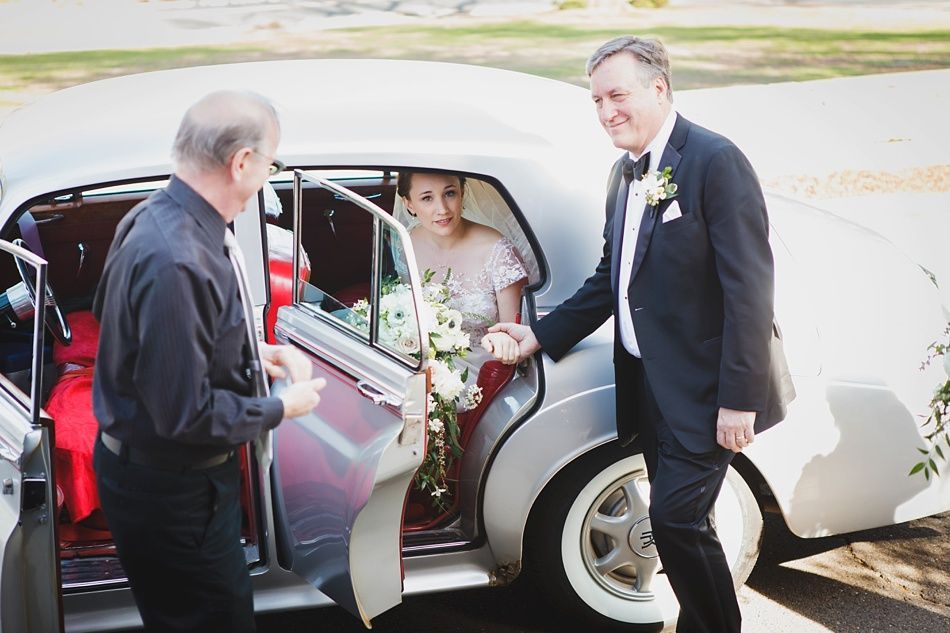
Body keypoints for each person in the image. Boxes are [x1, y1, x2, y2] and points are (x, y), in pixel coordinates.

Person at [490, 37, 791, 632]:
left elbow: (750, 292)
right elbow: (611, 280)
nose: (606, 113)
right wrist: (537, 337)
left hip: (708, 389)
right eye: (597, 100)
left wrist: (739, 400)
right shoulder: (622, 173)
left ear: (659, 88)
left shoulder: (714, 160)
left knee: (676, 522)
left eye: (617, 96)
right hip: (649, 385)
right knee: (682, 522)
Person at [92, 90, 326, 633]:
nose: (270, 174)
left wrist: (248, 354)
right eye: (273, 163)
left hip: (152, 478)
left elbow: (118, 319)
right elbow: (185, 416)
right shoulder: (179, 259)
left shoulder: (151, 214)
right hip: (174, 493)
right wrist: (280, 407)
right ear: (242, 162)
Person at [396, 171, 527, 368]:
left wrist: (503, 342)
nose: (442, 209)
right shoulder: (403, 244)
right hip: (418, 367)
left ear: (462, 192)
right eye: (427, 198)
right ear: (409, 204)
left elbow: (514, 337)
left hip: (485, 372)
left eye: (449, 194)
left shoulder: (498, 252)